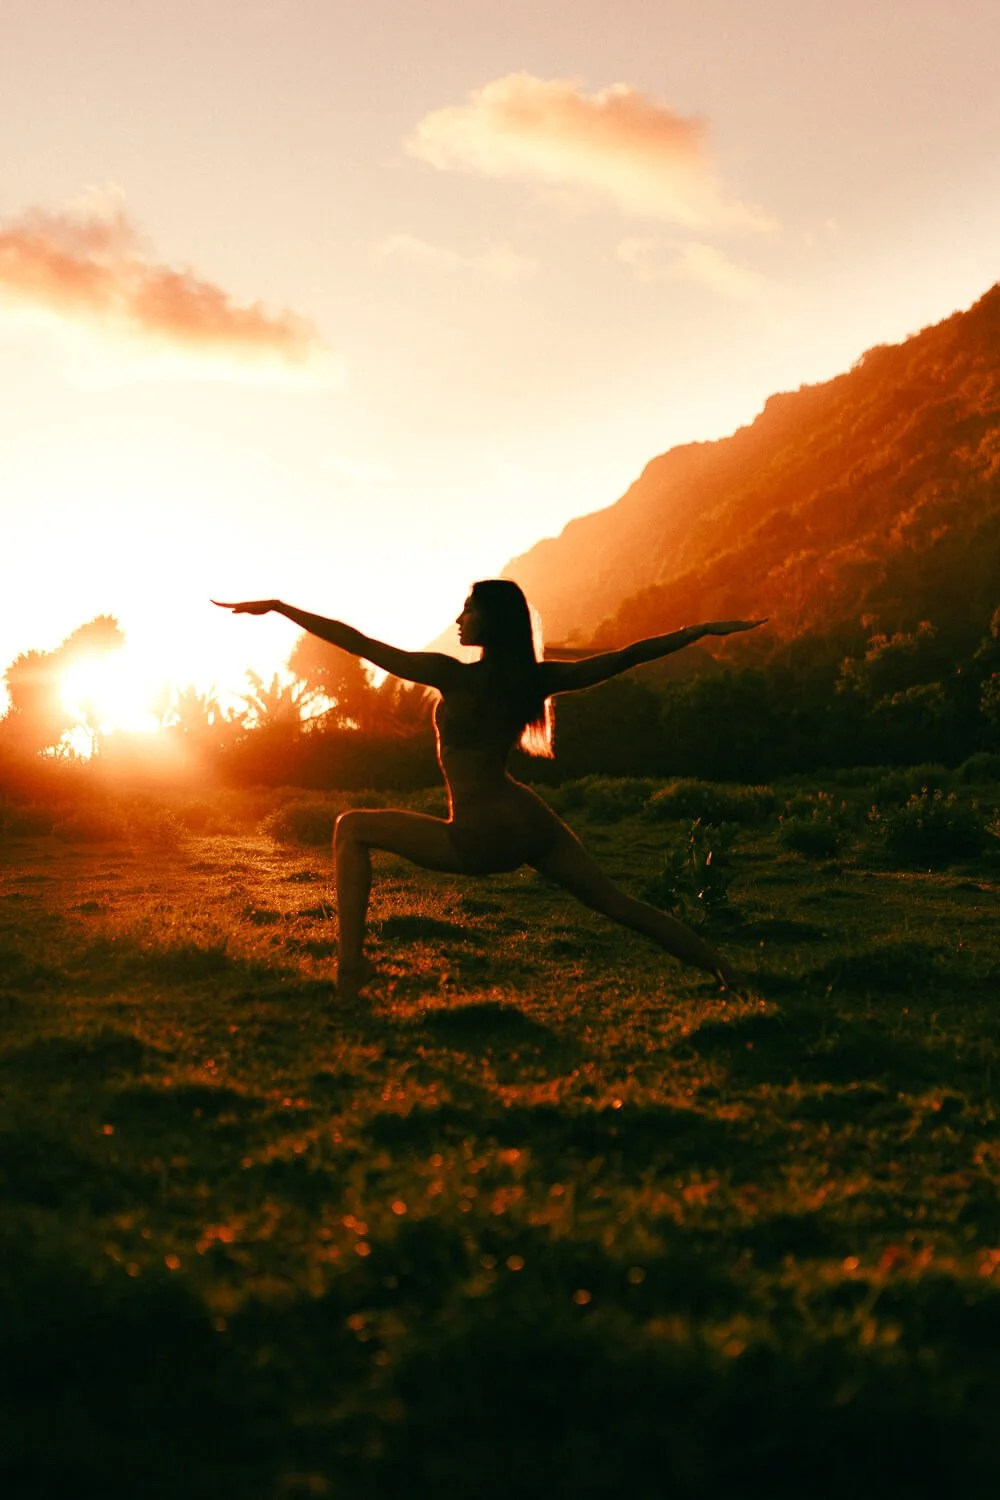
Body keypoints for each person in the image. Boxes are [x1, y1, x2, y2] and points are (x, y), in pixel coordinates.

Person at [213, 583, 765, 999]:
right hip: (530, 819)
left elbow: (359, 643)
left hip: (479, 832)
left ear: (492, 621)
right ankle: (727, 972)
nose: (459, 617)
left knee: (349, 827)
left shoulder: (453, 676)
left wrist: (283, 609)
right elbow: (624, 659)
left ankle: (350, 969)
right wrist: (697, 633)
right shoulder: (533, 678)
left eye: (469, 609)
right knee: (616, 903)